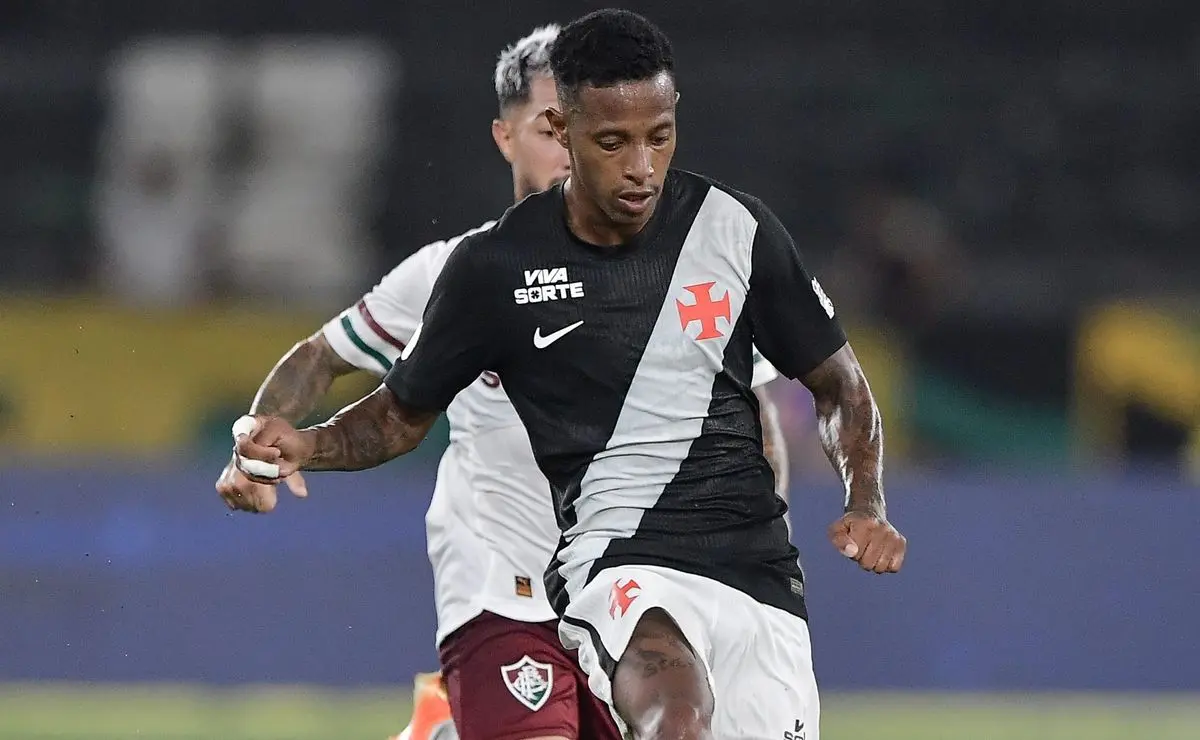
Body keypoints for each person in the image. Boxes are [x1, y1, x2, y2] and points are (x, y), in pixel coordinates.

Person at [228, 9, 905, 740]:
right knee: (676, 719)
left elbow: (820, 390)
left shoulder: (735, 234)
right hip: (570, 569)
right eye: (611, 142)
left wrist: (861, 501)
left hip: (750, 571)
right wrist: (294, 444)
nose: (641, 166)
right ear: (556, 128)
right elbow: (380, 399)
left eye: (659, 137)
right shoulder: (483, 268)